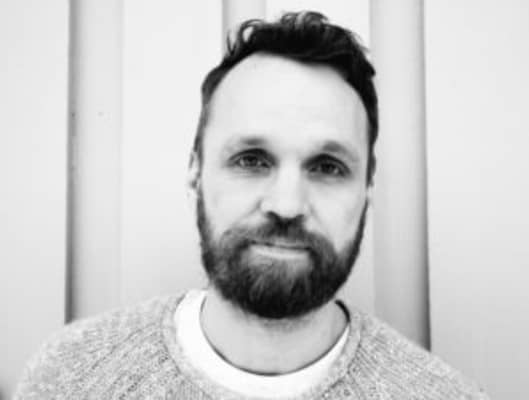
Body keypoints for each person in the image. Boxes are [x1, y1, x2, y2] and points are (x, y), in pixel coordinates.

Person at [15, 11, 489, 399]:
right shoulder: (71, 377)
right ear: (195, 171)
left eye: (327, 167)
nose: (286, 205)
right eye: (251, 159)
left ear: (367, 187)